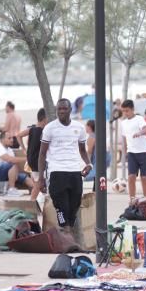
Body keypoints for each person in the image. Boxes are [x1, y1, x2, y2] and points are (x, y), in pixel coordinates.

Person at [38, 99, 92, 237]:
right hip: (56, 171)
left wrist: (88, 164)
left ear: (70, 110)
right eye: (59, 109)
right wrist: (41, 178)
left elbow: (82, 150)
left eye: (64, 109)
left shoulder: (79, 128)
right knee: (61, 206)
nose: (61, 111)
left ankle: (69, 229)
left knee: (75, 203)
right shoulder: (50, 128)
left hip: (74, 170)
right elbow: (42, 153)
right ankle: (65, 231)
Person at [119, 99, 146, 203]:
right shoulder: (123, 123)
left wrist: (140, 133)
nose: (125, 113)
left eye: (127, 111)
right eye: (123, 111)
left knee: (144, 177)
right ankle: (132, 199)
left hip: (143, 152)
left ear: (132, 109)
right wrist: (124, 152)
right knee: (131, 177)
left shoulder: (139, 119)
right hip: (131, 152)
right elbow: (124, 138)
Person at [18, 108, 47, 201]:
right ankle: (32, 202)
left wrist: (24, 149)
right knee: (39, 184)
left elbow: (19, 135)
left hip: (30, 159)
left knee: (38, 183)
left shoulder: (31, 129)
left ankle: (37, 202)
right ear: (44, 118)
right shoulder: (43, 131)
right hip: (37, 161)